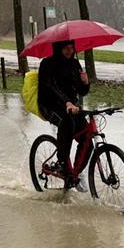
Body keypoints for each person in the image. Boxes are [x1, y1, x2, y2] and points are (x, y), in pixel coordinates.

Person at [37, 40, 92, 184]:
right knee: (67, 124)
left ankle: (76, 173)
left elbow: (82, 91)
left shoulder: (74, 64)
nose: (69, 51)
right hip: (49, 105)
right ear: (58, 48)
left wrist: (85, 83)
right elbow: (51, 87)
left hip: (71, 106)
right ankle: (62, 163)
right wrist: (66, 102)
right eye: (65, 48)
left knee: (87, 139)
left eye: (71, 48)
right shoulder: (47, 64)